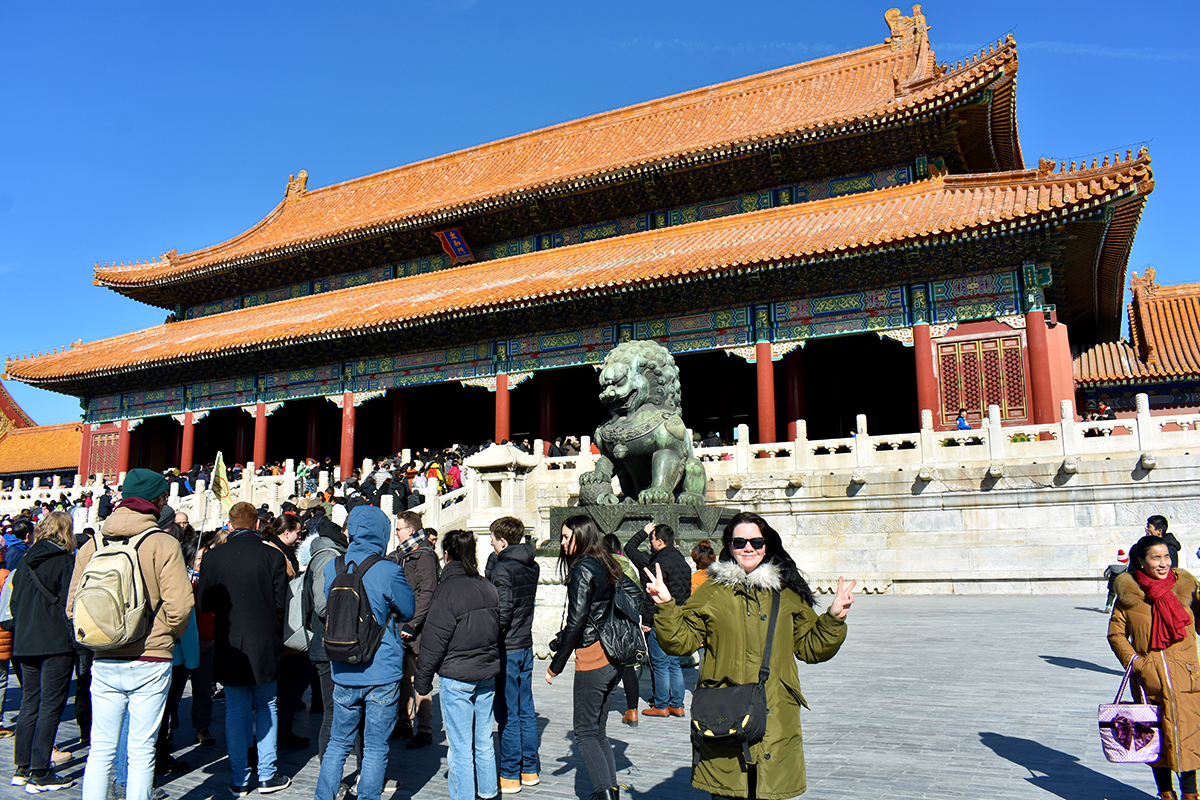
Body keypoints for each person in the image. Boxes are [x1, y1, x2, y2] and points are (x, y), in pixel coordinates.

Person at [645, 511, 854, 800]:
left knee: (769, 789)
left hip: (775, 715)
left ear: (766, 545)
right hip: (725, 715)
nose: (748, 548)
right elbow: (681, 642)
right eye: (739, 541)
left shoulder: (786, 593)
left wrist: (833, 618)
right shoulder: (712, 592)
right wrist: (666, 606)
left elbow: (811, 647)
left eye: (756, 541)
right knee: (729, 790)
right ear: (728, 546)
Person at [315, 506, 414, 800]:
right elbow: (408, 609)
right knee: (375, 745)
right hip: (381, 667)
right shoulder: (387, 569)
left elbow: (325, 608)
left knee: (337, 743)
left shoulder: (332, 566)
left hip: (343, 665)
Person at [197, 501, 290, 796]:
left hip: (229, 641)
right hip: (264, 641)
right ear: (257, 524)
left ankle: (239, 778)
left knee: (236, 710)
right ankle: (267, 774)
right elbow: (280, 604)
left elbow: (205, 603)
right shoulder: (271, 556)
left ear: (230, 524)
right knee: (267, 704)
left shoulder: (213, 556)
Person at [546, 515, 634, 800]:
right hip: (612, 656)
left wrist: (555, 665)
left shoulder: (584, 567)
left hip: (593, 656)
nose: (561, 543)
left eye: (565, 537)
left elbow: (577, 621)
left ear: (580, 537)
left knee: (584, 733)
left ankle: (603, 793)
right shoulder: (607, 561)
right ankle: (611, 790)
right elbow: (635, 593)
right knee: (598, 732)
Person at [1108, 534, 1200, 800]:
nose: (1163, 564)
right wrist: (1136, 662)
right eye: (1156, 558)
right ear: (1141, 561)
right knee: (1155, 740)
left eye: (1166, 557)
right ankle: (1165, 794)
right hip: (1150, 682)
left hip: (1187, 678)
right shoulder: (1130, 596)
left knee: (1189, 736)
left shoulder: (1186, 589)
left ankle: (1191, 795)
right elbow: (1116, 635)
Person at [415, 529, 500, 800]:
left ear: (447, 555)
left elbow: (433, 640)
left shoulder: (447, 591)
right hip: (485, 671)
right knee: (484, 740)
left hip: (457, 675)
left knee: (461, 746)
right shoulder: (487, 586)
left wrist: (423, 679)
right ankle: (487, 792)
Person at [9, 512, 79, 793]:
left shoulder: (25, 561)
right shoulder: (65, 560)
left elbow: (14, 602)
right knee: (51, 706)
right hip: (55, 641)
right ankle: (40, 770)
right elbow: (69, 602)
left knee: (30, 704)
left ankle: (22, 767)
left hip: (25, 641)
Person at [488, 517, 541, 793]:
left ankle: (509, 772)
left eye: (493, 539)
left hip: (507, 646)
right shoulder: (532, 566)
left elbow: (502, 612)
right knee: (525, 708)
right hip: (525, 643)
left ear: (503, 541)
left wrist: (490, 639)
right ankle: (529, 768)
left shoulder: (502, 569)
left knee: (507, 712)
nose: (491, 543)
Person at [625, 522, 691, 717]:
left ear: (660, 542)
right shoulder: (682, 562)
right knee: (674, 662)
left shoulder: (654, 563)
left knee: (660, 663)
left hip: (659, 618)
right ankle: (677, 704)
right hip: (678, 618)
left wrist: (645, 621)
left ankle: (661, 704)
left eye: (651, 539)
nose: (650, 543)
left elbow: (651, 597)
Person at [387, 512, 438, 749]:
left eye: (398, 529)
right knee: (403, 677)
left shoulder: (424, 556)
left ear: (410, 530)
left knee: (420, 679)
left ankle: (425, 729)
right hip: (401, 625)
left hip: (416, 628)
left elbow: (427, 593)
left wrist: (413, 624)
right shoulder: (402, 554)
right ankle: (404, 723)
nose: (396, 533)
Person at [602, 534, 643, 729]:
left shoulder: (604, 565)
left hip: (609, 622)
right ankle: (633, 711)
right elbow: (638, 593)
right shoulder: (627, 565)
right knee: (628, 666)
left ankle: (600, 709)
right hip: (628, 621)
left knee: (604, 663)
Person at [1104, 549, 1130, 614]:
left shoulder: (1112, 566)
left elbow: (1106, 573)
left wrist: (1106, 577)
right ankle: (1122, 607)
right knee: (1122, 595)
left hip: (1112, 583)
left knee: (1111, 594)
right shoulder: (1125, 567)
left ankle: (1109, 606)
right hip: (1121, 583)